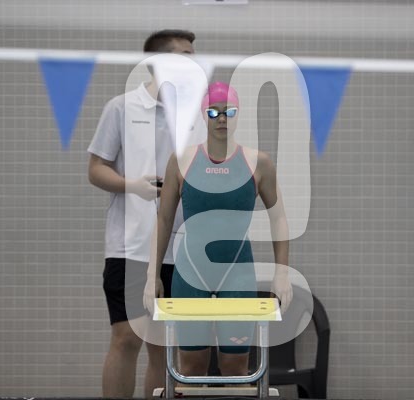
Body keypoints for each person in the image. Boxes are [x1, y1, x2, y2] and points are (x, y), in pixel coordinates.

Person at [144, 82, 292, 377]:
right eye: (214, 112)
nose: (222, 118)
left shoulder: (258, 163)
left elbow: (279, 218)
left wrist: (282, 274)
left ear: (239, 114)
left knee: (236, 367)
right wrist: (152, 275)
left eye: (229, 111)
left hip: (237, 272)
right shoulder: (182, 161)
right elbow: (163, 220)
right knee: (191, 368)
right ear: (203, 115)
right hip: (190, 272)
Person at [88, 29, 203, 398]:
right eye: (186, 56)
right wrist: (132, 185)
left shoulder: (198, 115)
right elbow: (96, 169)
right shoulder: (122, 107)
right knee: (126, 337)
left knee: (161, 344)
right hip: (131, 246)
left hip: (180, 248)